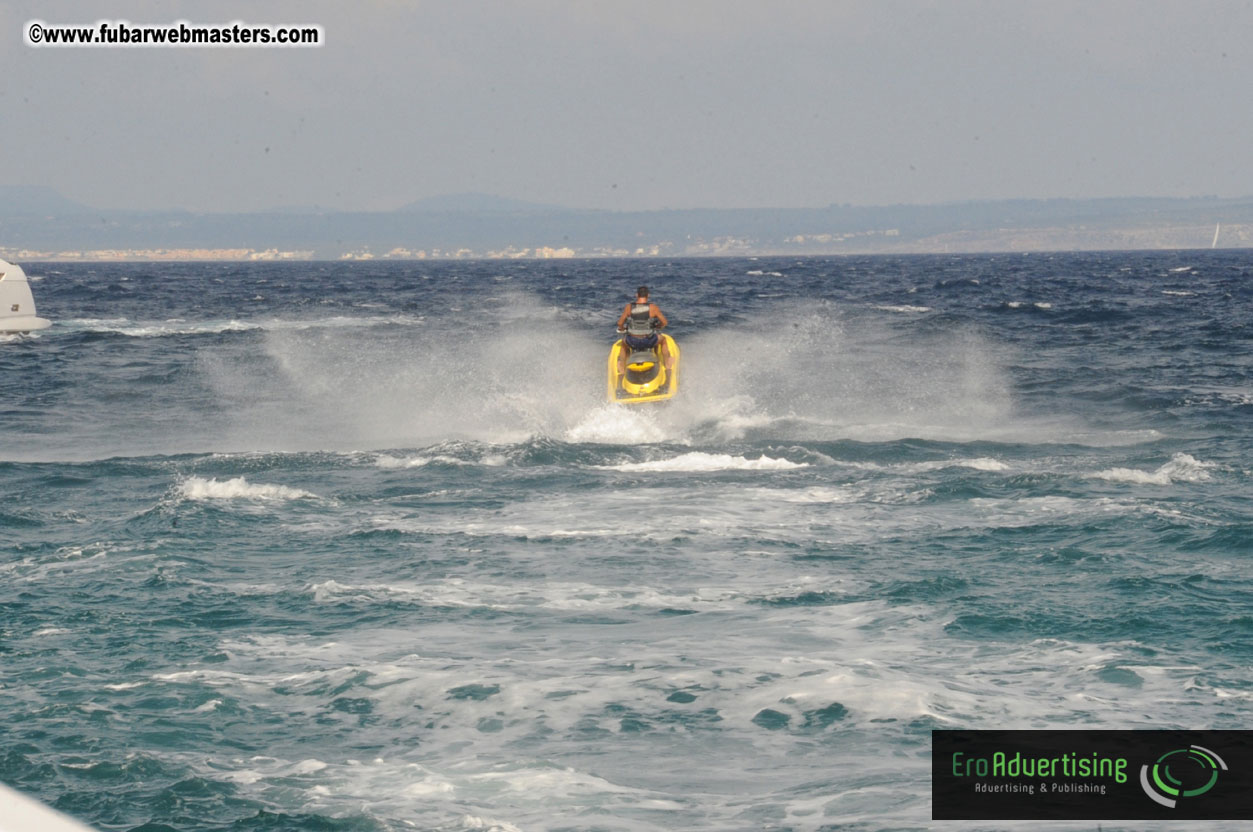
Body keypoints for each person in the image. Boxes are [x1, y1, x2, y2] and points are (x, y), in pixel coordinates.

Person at [616, 285, 672, 371]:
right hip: (648, 341)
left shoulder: (629, 307)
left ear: (637, 295)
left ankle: (621, 367)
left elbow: (620, 323)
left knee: (624, 345)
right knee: (663, 340)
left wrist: (622, 329)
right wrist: (658, 326)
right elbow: (664, 322)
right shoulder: (653, 307)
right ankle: (667, 364)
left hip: (633, 341)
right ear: (648, 295)